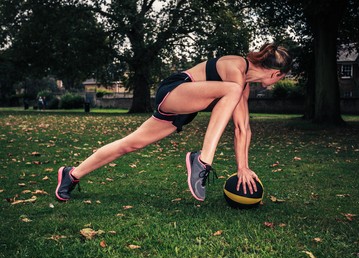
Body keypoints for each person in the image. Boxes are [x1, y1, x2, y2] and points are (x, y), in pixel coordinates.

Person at [55, 43, 292, 202]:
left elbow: (242, 127)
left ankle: (71, 174)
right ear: (276, 74)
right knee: (233, 90)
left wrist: (243, 167)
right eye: (283, 78)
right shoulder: (235, 68)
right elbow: (234, 102)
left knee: (130, 144)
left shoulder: (242, 87)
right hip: (175, 91)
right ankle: (202, 161)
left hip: (182, 110)